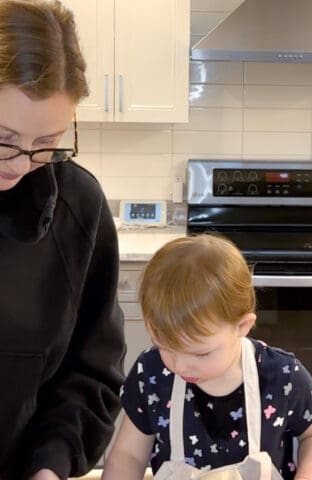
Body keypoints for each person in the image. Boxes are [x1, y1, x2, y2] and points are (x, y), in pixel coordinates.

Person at [0, 1, 126, 479]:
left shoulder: (77, 206)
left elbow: (91, 370)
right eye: (3, 138)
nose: (20, 164)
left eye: (47, 143)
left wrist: (52, 465)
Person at [102, 234, 312, 480]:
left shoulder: (282, 376)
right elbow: (129, 456)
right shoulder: (150, 374)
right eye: (164, 346)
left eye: (200, 353)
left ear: (242, 326)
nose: (179, 365)